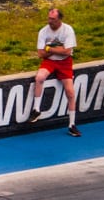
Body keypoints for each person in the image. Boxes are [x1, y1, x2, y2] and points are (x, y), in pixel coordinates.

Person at [28, 8, 81, 137]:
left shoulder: (68, 30)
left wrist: (49, 48)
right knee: (39, 77)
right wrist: (55, 49)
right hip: (49, 61)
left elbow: (67, 52)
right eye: (49, 18)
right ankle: (36, 109)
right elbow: (41, 54)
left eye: (53, 19)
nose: (49, 21)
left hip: (65, 62)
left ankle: (72, 124)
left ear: (59, 19)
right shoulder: (43, 31)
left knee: (70, 92)